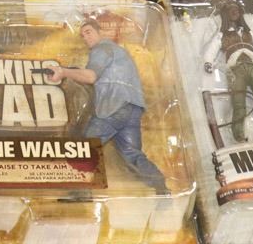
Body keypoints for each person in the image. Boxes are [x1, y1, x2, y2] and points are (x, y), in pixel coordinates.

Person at [50, 19, 168, 194]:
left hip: (113, 108)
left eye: (88, 32)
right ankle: (161, 187)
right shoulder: (120, 52)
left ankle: (81, 193)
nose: (85, 38)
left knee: (85, 148)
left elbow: (90, 77)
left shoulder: (101, 49)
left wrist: (63, 72)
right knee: (132, 154)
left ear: (100, 32)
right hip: (133, 109)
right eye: (83, 35)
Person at [202, 0, 253, 143]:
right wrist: (208, 62)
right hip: (236, 70)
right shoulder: (222, 35)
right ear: (225, 14)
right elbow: (211, 50)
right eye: (231, 9)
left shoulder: (250, 33)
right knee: (238, 106)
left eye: (236, 9)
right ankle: (239, 138)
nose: (234, 12)